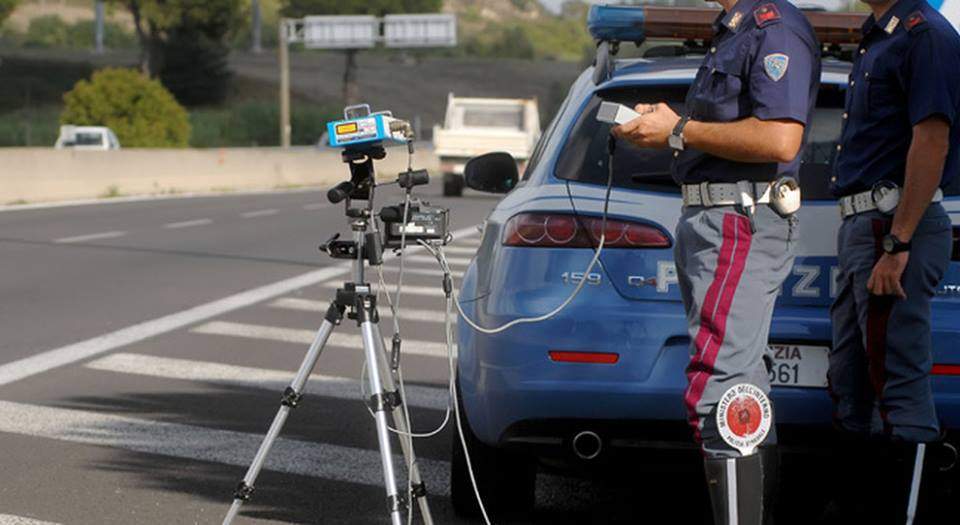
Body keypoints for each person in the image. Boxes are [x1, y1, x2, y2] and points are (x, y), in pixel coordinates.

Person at [613, 0, 820, 522]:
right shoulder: (736, 29)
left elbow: (780, 138)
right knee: (741, 383)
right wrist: (667, 127)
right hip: (714, 218)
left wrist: (679, 130)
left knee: (720, 385)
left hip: (739, 217)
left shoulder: (774, 28)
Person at [823, 0, 960, 521]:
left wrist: (898, 244)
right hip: (866, 226)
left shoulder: (926, 36)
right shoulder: (881, 35)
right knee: (851, 383)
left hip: (894, 226)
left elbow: (932, 140)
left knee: (899, 384)